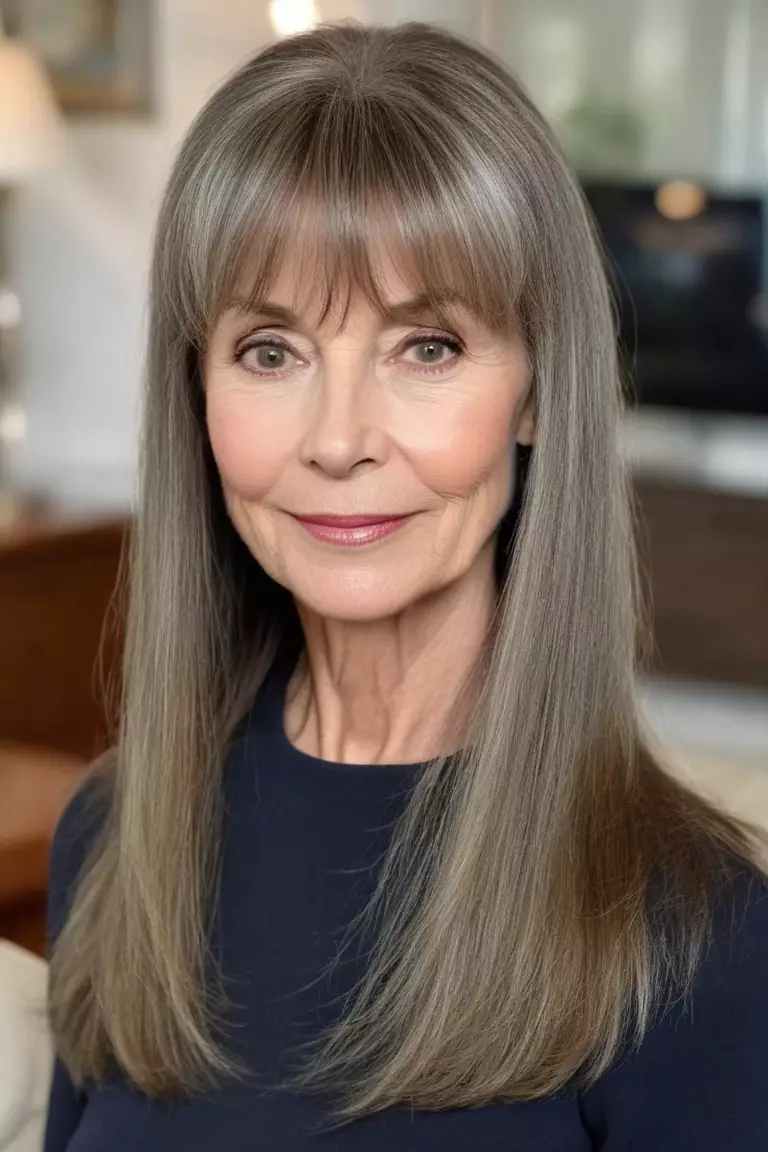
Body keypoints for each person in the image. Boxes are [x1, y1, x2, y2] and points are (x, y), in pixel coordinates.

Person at [44, 20, 768, 1152]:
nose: (339, 441)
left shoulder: (701, 936)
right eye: (270, 351)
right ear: (197, 393)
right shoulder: (112, 838)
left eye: (425, 346)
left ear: (536, 393)